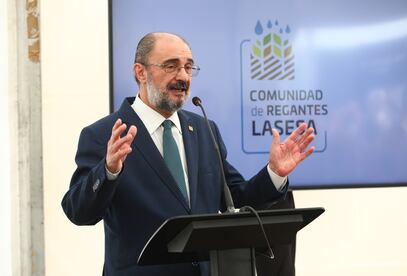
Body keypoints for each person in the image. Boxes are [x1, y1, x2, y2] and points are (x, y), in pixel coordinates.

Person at [61, 32, 315, 276]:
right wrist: (108, 170)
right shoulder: (104, 134)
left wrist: (274, 173)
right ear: (141, 72)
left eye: (188, 67)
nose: (183, 76)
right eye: (171, 66)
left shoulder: (203, 129)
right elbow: (79, 212)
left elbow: (236, 196)